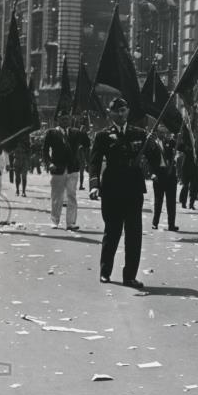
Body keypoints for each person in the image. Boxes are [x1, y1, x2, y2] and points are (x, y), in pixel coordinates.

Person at [88, 97, 148, 288]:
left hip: (133, 190)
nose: (120, 114)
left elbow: (153, 159)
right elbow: (95, 162)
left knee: (134, 235)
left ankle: (129, 276)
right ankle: (105, 272)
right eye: (116, 111)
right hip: (112, 189)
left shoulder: (140, 134)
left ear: (128, 111)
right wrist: (94, 185)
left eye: (123, 110)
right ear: (110, 113)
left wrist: (155, 151)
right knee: (112, 232)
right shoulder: (103, 136)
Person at [43, 109, 88, 231]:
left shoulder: (76, 133)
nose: (65, 121)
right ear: (58, 120)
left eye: (67, 118)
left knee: (72, 196)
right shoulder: (51, 133)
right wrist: (49, 163)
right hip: (57, 168)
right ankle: (55, 221)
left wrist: (84, 132)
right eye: (62, 119)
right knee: (57, 197)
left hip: (72, 169)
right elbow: (45, 152)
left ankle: (71, 223)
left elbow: (86, 144)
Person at [146, 124, 179, 231]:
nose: (163, 134)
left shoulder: (169, 142)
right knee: (158, 201)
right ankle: (155, 223)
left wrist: (179, 137)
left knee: (171, 202)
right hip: (158, 174)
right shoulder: (152, 145)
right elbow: (148, 161)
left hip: (170, 175)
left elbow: (181, 146)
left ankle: (171, 224)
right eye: (160, 132)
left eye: (164, 132)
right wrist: (152, 173)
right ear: (156, 133)